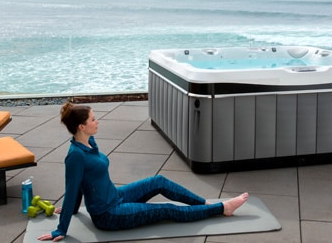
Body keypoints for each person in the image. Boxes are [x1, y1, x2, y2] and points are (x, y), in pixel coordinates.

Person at [37, 102, 249, 242]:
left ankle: (203, 204)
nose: (97, 121)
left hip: (116, 195)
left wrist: (74, 210)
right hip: (108, 214)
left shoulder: (89, 142)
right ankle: (222, 208)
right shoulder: (75, 156)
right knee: (166, 210)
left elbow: (85, 180)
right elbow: (73, 188)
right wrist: (61, 228)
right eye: (93, 119)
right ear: (81, 127)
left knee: (158, 181)